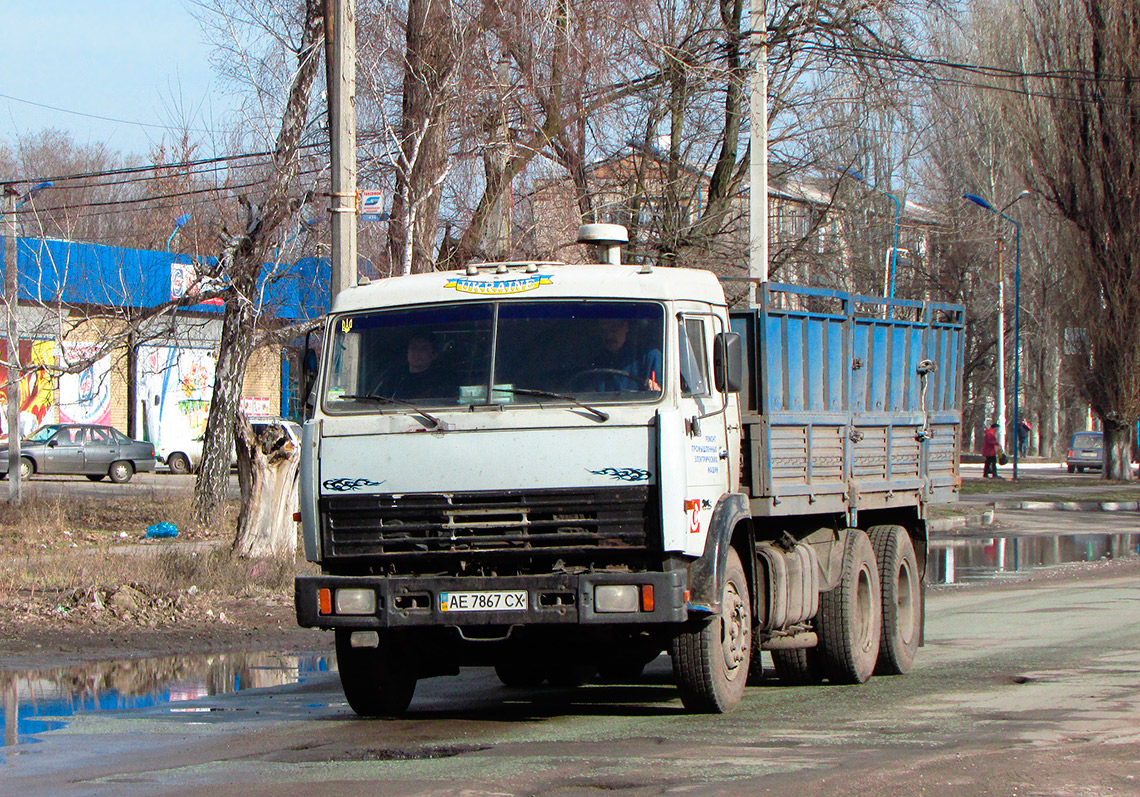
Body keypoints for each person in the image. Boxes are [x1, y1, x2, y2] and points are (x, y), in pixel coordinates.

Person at [584, 318, 662, 392]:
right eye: (603, 331)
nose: (608, 335)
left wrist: (655, 390)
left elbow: (662, 397)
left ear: (626, 327)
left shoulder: (650, 357)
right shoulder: (595, 364)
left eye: (613, 328)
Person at [375, 334, 454, 401]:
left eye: (423, 349)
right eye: (413, 348)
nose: (416, 353)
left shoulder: (439, 383)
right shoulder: (393, 378)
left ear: (434, 355)